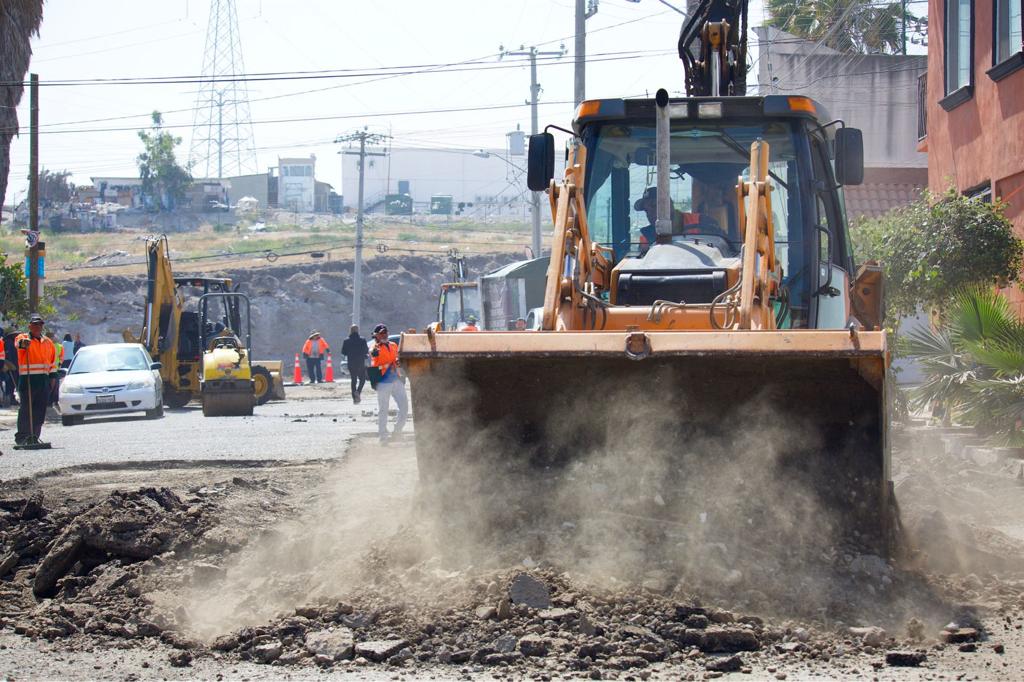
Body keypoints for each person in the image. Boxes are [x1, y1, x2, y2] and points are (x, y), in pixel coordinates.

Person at [14, 314, 57, 446]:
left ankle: (34, 436)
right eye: (35, 324)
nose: (37, 327)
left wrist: (52, 380)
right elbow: (18, 344)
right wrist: (23, 344)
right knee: (26, 409)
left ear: (42, 326)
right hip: (28, 380)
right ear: (30, 326)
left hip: (43, 381)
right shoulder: (23, 338)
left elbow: (52, 364)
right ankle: (22, 437)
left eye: (39, 324)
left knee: (39, 410)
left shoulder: (48, 343)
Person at [370, 323, 408, 444]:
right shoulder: (375, 347)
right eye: (381, 333)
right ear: (376, 335)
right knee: (383, 409)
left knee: (404, 407)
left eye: (385, 332)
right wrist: (376, 348)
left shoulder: (393, 345)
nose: (384, 334)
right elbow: (373, 354)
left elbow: (398, 360)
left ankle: (397, 432)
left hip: (396, 380)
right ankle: (383, 437)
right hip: (383, 382)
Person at [341, 324, 369, 404]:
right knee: (362, 379)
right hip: (360, 362)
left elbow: (343, 352)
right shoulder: (362, 340)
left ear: (350, 331)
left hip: (351, 362)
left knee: (353, 380)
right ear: (358, 331)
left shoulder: (346, 340)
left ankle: (354, 398)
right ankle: (358, 392)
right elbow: (366, 351)